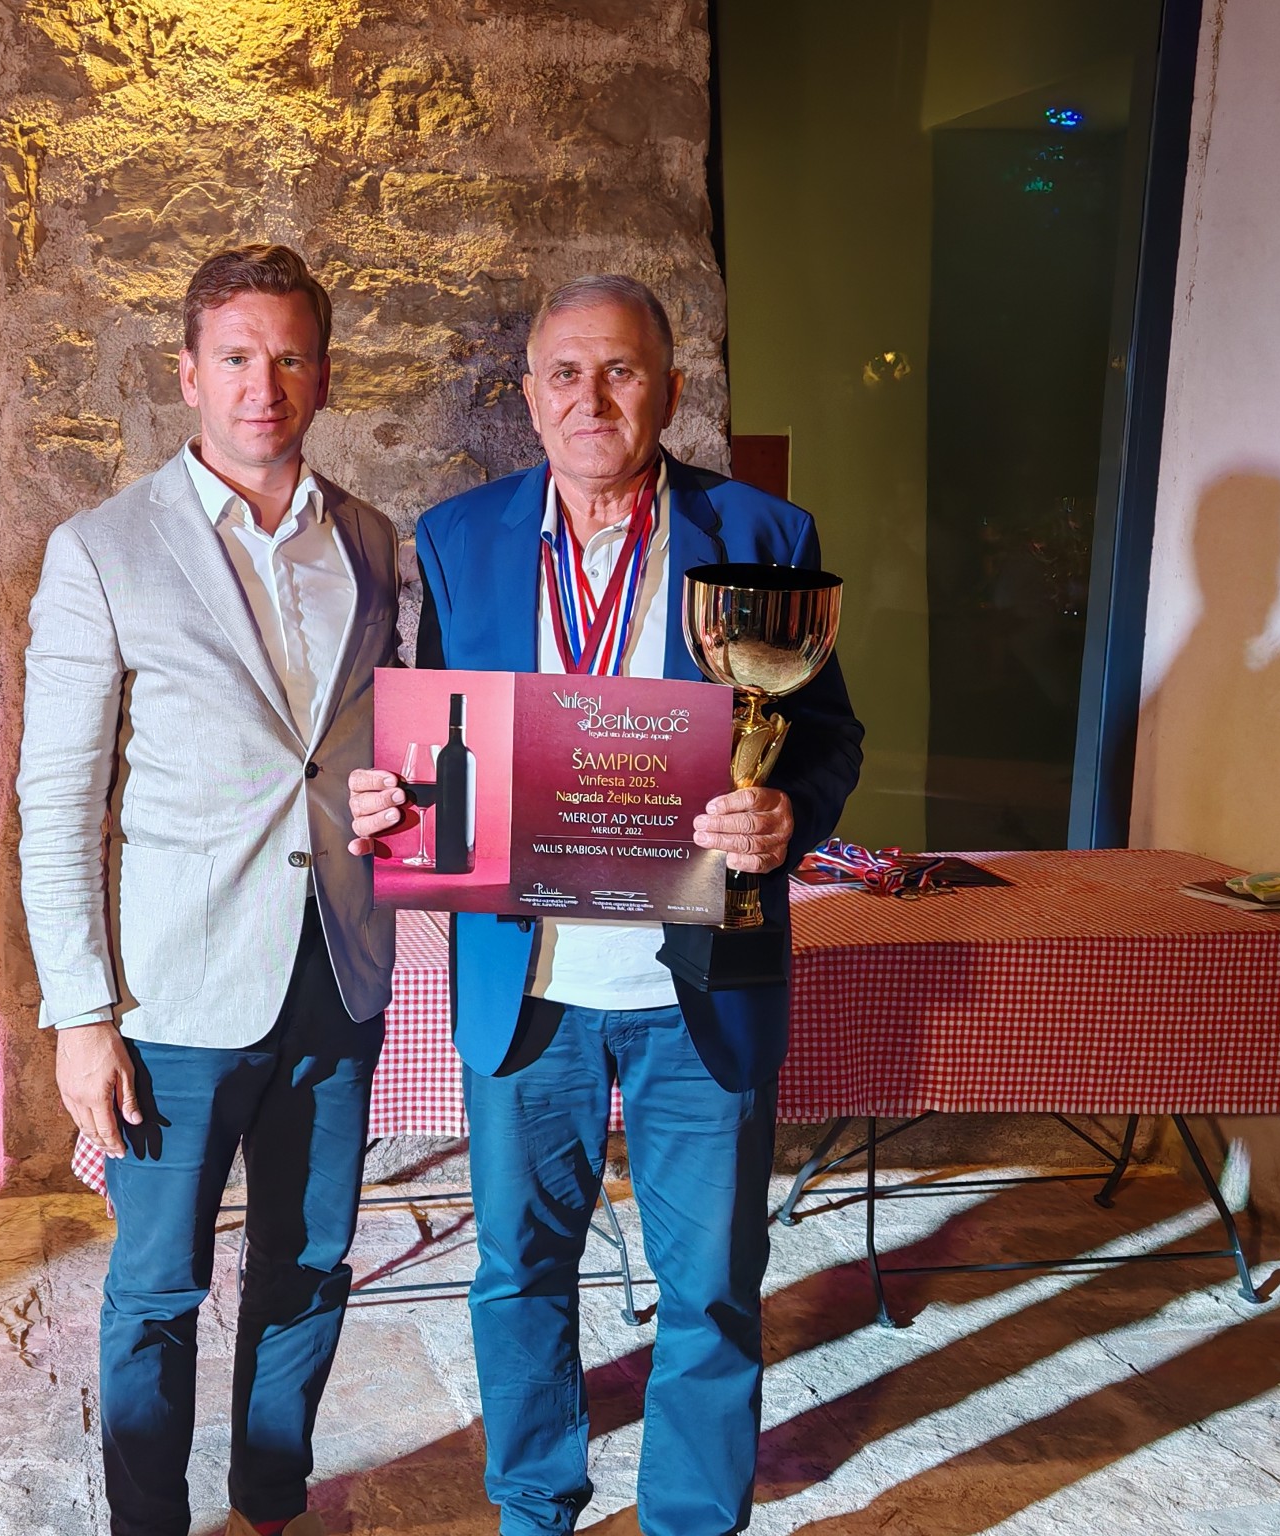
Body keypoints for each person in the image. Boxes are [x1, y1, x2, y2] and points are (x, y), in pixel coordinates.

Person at [349, 275, 864, 1535]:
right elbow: (437, 728)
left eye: (621, 370)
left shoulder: (763, 531)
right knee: (517, 1276)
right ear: (530, 396)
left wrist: (786, 815)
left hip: (699, 983)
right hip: (527, 986)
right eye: (566, 373)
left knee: (712, 1285)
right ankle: (534, 1508)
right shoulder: (458, 538)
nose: (592, 397)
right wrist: (391, 798)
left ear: (668, 390)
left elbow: (826, 737)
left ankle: (691, 1517)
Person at [16, 244, 402, 1536]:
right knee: (157, 1288)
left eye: (289, 358)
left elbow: (375, 748)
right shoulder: (101, 550)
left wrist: (400, 802)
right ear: (187, 373)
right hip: (174, 992)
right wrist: (81, 1016)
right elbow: (56, 801)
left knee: (310, 1265)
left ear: (324, 376)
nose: (262, 386)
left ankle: (270, 1507)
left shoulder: (368, 539)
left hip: (336, 970)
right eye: (235, 357)